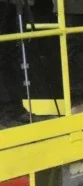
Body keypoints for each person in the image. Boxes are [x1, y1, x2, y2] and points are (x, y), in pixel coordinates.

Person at [0, 0, 34, 128]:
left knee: (12, 54)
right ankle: (6, 111)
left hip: (14, 4)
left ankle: (15, 108)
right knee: (5, 55)